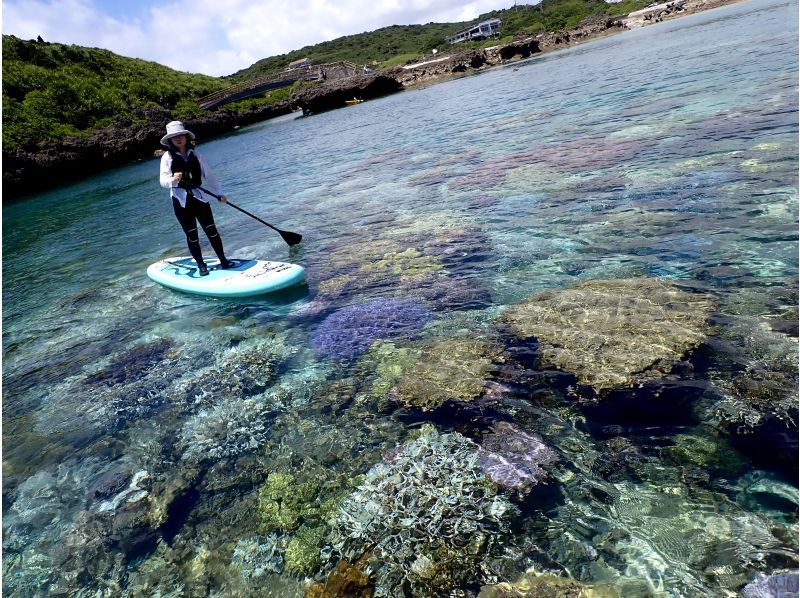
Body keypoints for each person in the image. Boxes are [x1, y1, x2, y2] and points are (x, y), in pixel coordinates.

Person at [159, 120, 235, 276]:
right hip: (181, 201)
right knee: (192, 235)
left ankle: (223, 260)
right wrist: (173, 179)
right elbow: (163, 181)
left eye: (181, 135)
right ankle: (201, 265)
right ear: (170, 140)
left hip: (200, 198)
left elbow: (210, 176)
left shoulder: (196, 154)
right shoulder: (167, 158)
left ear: (186, 137)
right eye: (174, 137)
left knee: (212, 230)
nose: (178, 139)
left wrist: (219, 193)